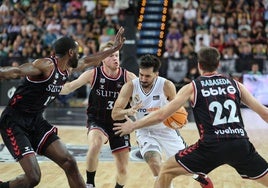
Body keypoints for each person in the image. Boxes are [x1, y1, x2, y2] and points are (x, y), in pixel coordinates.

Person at [113, 47, 268, 188]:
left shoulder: (193, 87)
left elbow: (162, 115)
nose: (143, 78)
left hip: (210, 145)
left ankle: (200, 176)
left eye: (147, 75)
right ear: (218, 64)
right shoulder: (235, 84)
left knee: (166, 170)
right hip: (240, 143)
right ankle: (199, 176)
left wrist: (132, 125)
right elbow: (264, 113)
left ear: (199, 65)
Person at [0, 27, 126, 188]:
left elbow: (89, 60)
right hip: (14, 122)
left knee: (69, 162)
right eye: (77, 51)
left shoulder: (68, 68)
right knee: (33, 177)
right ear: (71, 53)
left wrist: (115, 48)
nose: (80, 55)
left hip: (36, 120)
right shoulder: (46, 66)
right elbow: (16, 71)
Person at [112, 54, 213, 188]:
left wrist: (180, 119)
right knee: (155, 164)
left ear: (156, 74)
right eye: (141, 74)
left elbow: (178, 108)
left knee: (187, 167)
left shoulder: (166, 85)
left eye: (147, 76)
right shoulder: (130, 87)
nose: (143, 78)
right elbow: (115, 114)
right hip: (145, 131)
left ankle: (197, 175)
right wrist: (128, 111)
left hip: (167, 130)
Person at [60, 41, 137, 188]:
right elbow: (69, 87)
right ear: (102, 58)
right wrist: (48, 86)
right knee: (95, 145)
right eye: (110, 56)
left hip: (119, 124)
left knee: (123, 169)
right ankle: (90, 183)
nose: (115, 58)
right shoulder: (93, 74)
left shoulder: (129, 77)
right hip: (98, 120)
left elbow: (143, 99)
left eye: (117, 55)